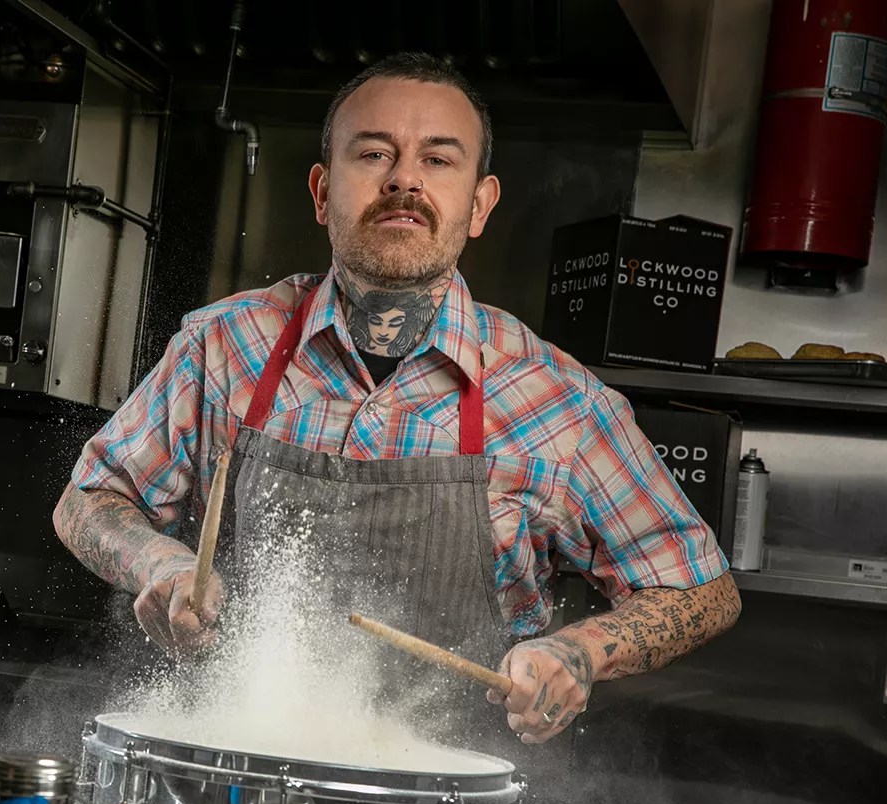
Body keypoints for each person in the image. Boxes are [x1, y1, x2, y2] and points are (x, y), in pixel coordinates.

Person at [52, 52, 740, 745]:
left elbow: (700, 589)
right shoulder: (224, 345)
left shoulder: (558, 400)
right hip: (238, 765)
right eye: (374, 153)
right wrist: (164, 565)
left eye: (438, 160)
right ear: (322, 191)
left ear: (479, 205)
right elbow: (89, 498)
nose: (404, 179)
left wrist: (579, 651)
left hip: (447, 789)